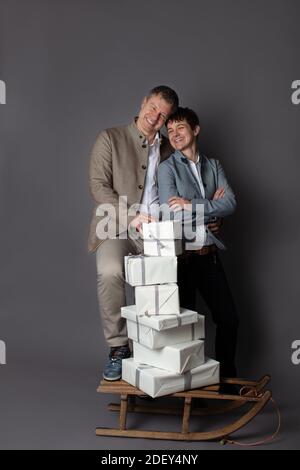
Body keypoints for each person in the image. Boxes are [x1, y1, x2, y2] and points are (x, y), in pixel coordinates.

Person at [88, 86, 179, 381]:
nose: (154, 116)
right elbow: (99, 186)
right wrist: (132, 216)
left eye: (162, 114)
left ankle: (158, 353)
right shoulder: (110, 138)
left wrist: (209, 210)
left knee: (167, 281)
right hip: (115, 226)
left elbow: (185, 185)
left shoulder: (169, 148)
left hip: (158, 231)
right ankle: (118, 348)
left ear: (167, 120)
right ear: (142, 103)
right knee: (110, 270)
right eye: (152, 107)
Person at [158, 107, 239, 379]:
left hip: (209, 254)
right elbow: (171, 212)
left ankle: (226, 382)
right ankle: (190, 388)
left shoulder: (214, 165)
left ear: (195, 129)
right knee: (186, 331)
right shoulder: (166, 168)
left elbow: (230, 203)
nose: (175, 134)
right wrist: (211, 209)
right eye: (170, 131)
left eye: (180, 127)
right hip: (182, 260)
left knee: (229, 319)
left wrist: (192, 204)